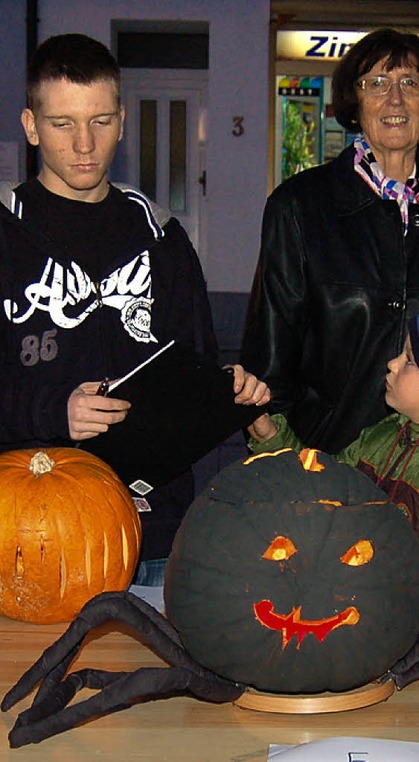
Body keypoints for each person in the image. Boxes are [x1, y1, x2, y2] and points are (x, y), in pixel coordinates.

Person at [0, 34, 269, 587]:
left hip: (150, 524)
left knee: (151, 674)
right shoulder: (5, 234)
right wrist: (54, 412)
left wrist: (228, 392)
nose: (83, 144)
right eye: (62, 123)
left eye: (100, 121)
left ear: (121, 121)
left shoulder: (163, 237)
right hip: (29, 526)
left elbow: (192, 365)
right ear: (30, 126)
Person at [241, 28, 419, 455]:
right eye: (376, 84)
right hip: (326, 455)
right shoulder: (299, 206)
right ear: (354, 101)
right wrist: (277, 454)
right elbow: (271, 348)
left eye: (410, 84)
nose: (395, 100)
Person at [248, 306, 419, 589]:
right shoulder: (386, 435)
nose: (392, 363)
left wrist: (385, 593)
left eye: (410, 360)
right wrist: (271, 438)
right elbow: (324, 488)